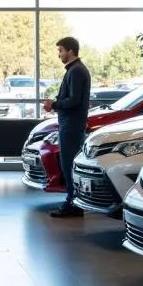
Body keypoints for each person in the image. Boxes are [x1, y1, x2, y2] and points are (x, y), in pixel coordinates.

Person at [43, 36, 91, 218]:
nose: (59, 55)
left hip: (71, 125)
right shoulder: (75, 69)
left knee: (68, 163)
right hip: (70, 124)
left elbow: (73, 100)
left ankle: (72, 202)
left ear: (70, 51)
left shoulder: (76, 71)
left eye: (61, 50)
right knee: (68, 163)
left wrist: (54, 105)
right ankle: (73, 201)